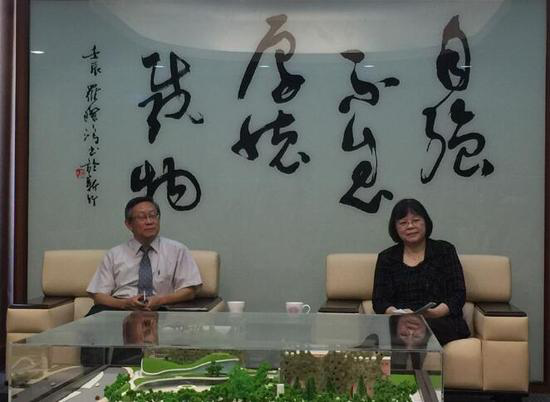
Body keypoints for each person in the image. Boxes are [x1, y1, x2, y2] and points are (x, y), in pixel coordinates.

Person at [372, 198, 470, 346]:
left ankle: (412, 359)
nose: (410, 226)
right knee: (384, 333)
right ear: (395, 228)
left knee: (417, 330)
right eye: (403, 223)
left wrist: (435, 313)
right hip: (399, 322)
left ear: (426, 222)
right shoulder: (386, 258)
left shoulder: (445, 251)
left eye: (416, 220)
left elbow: (458, 294)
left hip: (440, 320)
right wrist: (396, 313)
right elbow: (379, 301)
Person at [86, 196, 202, 315]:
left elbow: (190, 290)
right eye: (142, 217)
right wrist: (125, 304)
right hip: (120, 309)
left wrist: (161, 300)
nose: (149, 221)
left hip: (161, 310)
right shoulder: (114, 254)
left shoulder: (177, 250)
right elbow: (98, 295)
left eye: (153, 215)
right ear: (129, 224)